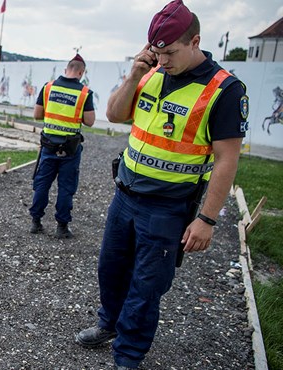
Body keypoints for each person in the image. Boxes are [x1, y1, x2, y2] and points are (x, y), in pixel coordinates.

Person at [74, 1, 247, 369]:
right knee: (111, 268)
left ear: (195, 41)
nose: (163, 59)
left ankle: (128, 355)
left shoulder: (224, 90)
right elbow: (116, 115)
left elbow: (227, 159)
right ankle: (108, 324)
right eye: (157, 52)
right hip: (125, 195)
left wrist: (207, 219)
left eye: (170, 52)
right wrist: (136, 73)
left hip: (168, 207)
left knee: (146, 285)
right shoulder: (151, 71)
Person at [29, 53, 95, 238]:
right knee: (66, 187)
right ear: (81, 73)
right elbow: (90, 121)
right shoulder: (84, 93)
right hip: (70, 149)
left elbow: (36, 115)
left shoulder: (48, 88)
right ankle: (62, 227)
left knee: (42, 184)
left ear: (66, 70)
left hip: (49, 146)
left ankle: (36, 222)